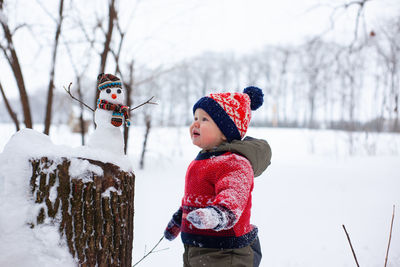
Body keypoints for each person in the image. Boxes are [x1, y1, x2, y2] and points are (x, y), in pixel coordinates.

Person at [164, 86, 272, 267]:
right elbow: (195, 199)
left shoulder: (234, 162)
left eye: (204, 119)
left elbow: (233, 194)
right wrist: (178, 219)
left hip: (225, 252)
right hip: (196, 247)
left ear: (225, 131)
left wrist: (218, 214)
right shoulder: (202, 161)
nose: (195, 124)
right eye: (195, 118)